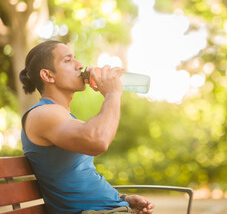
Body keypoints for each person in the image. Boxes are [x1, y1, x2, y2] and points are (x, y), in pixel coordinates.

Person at [19, 40, 154, 214]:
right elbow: (98, 141)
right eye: (68, 60)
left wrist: (122, 198)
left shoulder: (63, 117)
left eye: (75, 58)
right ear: (48, 75)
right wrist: (113, 94)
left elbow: (82, 174)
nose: (80, 65)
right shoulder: (43, 114)